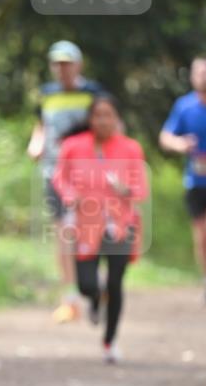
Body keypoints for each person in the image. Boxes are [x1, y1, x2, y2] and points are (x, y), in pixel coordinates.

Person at [52, 94, 148, 364]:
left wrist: (124, 188)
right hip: (86, 224)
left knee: (116, 283)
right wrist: (71, 194)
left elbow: (140, 188)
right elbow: (60, 177)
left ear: (117, 119)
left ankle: (109, 341)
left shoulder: (131, 149)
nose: (103, 120)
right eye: (98, 115)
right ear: (90, 119)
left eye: (109, 115)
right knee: (85, 284)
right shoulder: (73, 146)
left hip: (121, 224)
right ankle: (95, 299)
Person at [27, 41, 101, 323]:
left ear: (78, 65)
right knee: (63, 234)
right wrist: (36, 144)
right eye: (57, 64)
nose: (62, 69)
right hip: (54, 175)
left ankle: (95, 285)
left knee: (87, 234)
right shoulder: (46, 94)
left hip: (88, 177)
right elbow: (41, 126)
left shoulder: (93, 93)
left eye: (67, 63)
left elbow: (107, 126)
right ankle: (69, 299)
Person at [159, 58, 206, 302]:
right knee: (201, 236)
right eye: (201, 72)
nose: (205, 77)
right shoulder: (184, 106)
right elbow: (166, 136)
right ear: (193, 77)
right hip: (195, 181)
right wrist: (181, 144)